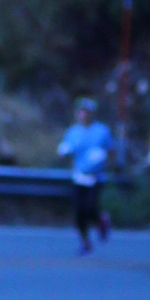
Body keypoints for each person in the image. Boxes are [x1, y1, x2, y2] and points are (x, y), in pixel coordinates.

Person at [56, 94, 114, 251]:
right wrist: (65, 155)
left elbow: (111, 152)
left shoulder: (102, 131)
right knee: (78, 211)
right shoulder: (73, 132)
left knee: (90, 207)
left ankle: (100, 220)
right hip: (79, 177)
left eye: (86, 111)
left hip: (96, 177)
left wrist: (103, 161)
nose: (83, 114)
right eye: (81, 111)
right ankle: (85, 241)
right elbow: (65, 153)